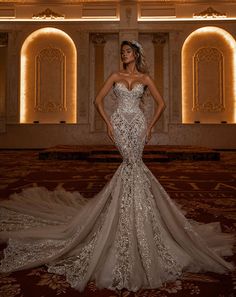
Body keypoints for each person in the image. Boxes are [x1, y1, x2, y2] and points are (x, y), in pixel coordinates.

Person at [0, 40, 234, 292]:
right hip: (121, 123)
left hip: (139, 124)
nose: (124, 55)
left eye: (128, 51)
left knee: (135, 165)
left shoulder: (144, 78)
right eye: (122, 52)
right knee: (130, 164)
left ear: (136, 54)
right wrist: (110, 124)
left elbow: (162, 103)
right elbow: (97, 100)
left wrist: (151, 125)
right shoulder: (114, 76)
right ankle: (127, 213)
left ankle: (137, 214)